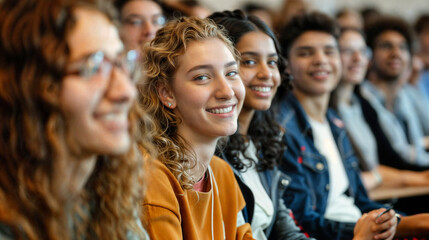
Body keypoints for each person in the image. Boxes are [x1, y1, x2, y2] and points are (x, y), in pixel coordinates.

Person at [0, 0, 153, 239]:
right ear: (30, 87)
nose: (126, 91)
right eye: (92, 67)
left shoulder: (108, 201)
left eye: (121, 63)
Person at [276, 11, 398, 240]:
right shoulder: (283, 129)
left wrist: (394, 221)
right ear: (287, 66)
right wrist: (402, 226)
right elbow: (303, 222)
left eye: (329, 51)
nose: (321, 60)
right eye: (305, 53)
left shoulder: (333, 122)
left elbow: (360, 201)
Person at [139, 16, 253, 239]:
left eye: (231, 73)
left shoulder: (221, 173)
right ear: (167, 93)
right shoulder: (151, 177)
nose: (227, 92)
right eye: (202, 77)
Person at [209, 10, 313, 240]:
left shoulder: (264, 141)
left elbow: (286, 234)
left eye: (272, 62)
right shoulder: (208, 152)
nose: (266, 73)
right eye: (249, 62)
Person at [331, 28, 429, 190]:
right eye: (348, 51)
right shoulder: (359, 102)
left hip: (383, 188)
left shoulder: (359, 103)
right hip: (374, 195)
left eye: (362, 51)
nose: (357, 58)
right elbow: (384, 164)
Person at [361, 16, 429, 168]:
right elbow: (398, 157)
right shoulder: (362, 100)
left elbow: (417, 150)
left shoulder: (406, 94)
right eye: (386, 46)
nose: (396, 53)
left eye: (403, 47)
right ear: (369, 55)